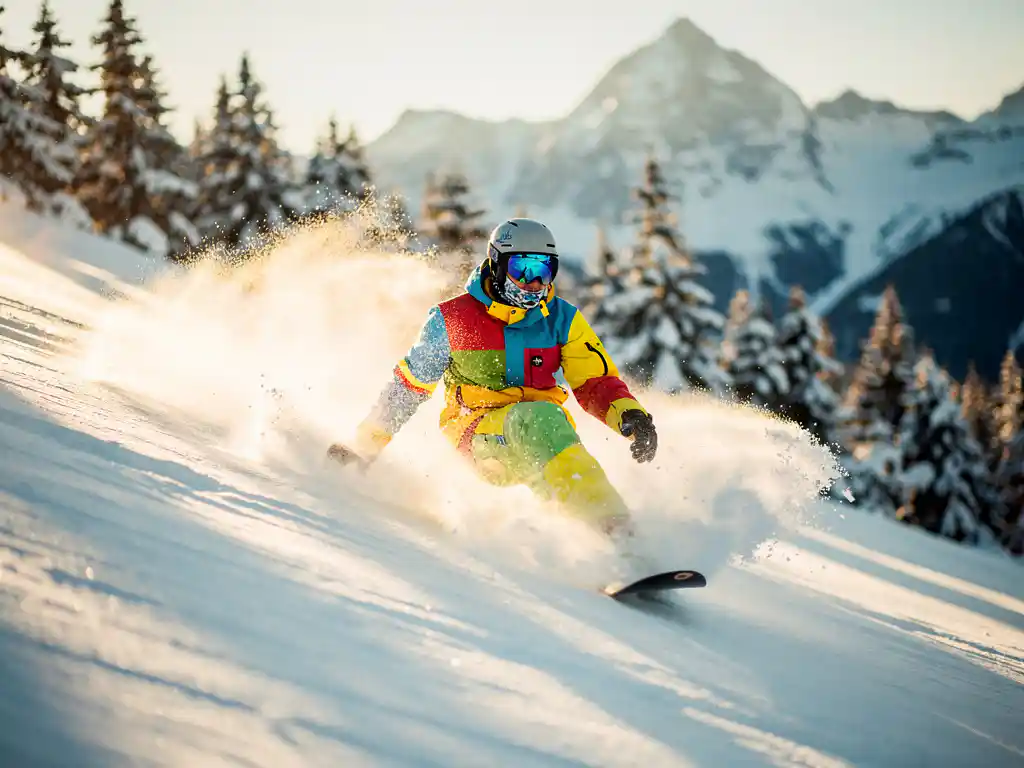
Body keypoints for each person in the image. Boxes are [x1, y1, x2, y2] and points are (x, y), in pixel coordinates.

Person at [328, 217, 658, 540]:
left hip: (540, 435)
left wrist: (630, 415)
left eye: (543, 271)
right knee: (539, 420)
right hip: (478, 438)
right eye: (522, 270)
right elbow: (408, 388)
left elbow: (595, 381)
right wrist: (363, 447)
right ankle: (614, 532)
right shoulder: (452, 319)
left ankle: (590, 550)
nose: (533, 283)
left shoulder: (562, 319)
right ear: (497, 265)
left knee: (554, 458)